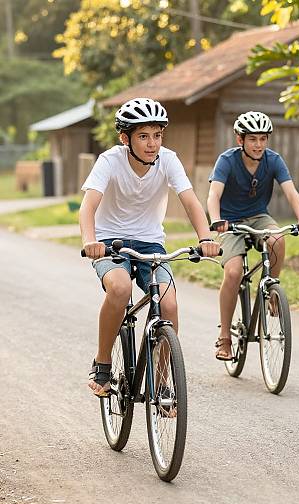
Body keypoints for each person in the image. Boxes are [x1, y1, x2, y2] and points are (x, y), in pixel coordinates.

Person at [80, 97, 220, 397]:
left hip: (151, 242)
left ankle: (161, 380)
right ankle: (103, 362)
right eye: (143, 136)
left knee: (168, 304)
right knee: (119, 289)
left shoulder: (168, 160)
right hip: (109, 242)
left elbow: (190, 201)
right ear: (125, 138)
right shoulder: (109, 161)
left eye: (157, 135)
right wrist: (89, 241)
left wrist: (205, 238)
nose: (152, 143)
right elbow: (88, 205)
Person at [207, 111, 299, 361]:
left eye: (263, 139)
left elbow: (291, 191)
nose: (258, 145)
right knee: (233, 273)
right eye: (252, 139)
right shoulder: (227, 160)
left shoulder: (274, 160)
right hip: (229, 222)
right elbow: (214, 195)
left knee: (277, 238)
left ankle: (270, 290)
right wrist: (216, 220)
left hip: (258, 216)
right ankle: (224, 336)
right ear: (240, 140)